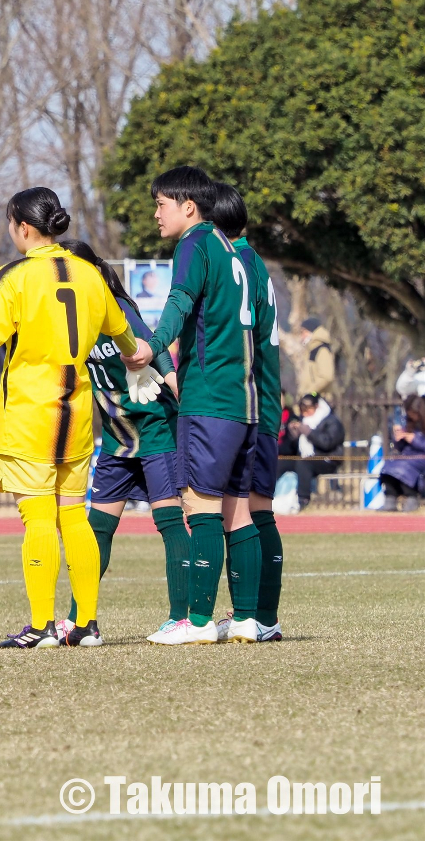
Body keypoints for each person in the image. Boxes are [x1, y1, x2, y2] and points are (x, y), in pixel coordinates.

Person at [0, 188, 144, 649]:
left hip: (31, 415)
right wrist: (141, 361)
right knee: (74, 516)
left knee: (37, 518)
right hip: (77, 414)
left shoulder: (13, 277)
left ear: (23, 228)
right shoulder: (90, 275)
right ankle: (87, 623)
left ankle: (40, 626)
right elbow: (124, 332)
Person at [125, 167, 261, 646]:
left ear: (188, 205)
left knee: (199, 506)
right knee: (237, 511)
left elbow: (179, 300)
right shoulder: (233, 251)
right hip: (245, 403)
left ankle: (199, 623)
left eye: (161, 203)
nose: (156, 213)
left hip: (208, 400)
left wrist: (151, 346)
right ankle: (246, 618)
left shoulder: (195, 243)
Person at [47, 239, 185, 645]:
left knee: (170, 523)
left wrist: (177, 386)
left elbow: (151, 349)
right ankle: (82, 622)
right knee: (96, 530)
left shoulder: (118, 310)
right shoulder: (70, 320)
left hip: (157, 428)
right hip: (117, 439)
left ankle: (183, 618)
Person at [212, 184, 285, 642]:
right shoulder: (252, 261)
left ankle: (259, 616)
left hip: (252, 403)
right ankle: (261, 618)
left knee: (251, 511)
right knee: (255, 509)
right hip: (265, 400)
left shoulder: (236, 263)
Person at [276, 393, 344, 509]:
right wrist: (293, 435)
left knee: (304, 462)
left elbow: (327, 444)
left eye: (308, 408)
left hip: (327, 459)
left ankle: (303, 500)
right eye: (302, 409)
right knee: (280, 462)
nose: (305, 412)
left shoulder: (331, 421)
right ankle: (268, 495)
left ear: (317, 406)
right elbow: (292, 448)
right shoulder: (302, 419)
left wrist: (309, 433)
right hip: (304, 458)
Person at [380, 395, 425, 512]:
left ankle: (411, 498)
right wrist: (398, 438)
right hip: (407, 456)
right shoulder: (407, 422)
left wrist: (414, 439)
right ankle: (390, 498)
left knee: (404, 468)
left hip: (420, 457)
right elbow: (400, 448)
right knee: (389, 465)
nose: (411, 416)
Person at [295, 317, 336, 400]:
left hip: (317, 401)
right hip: (309, 401)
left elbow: (327, 377)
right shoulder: (310, 350)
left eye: (303, 332)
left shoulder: (321, 350)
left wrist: (310, 393)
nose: (301, 336)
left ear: (311, 331)